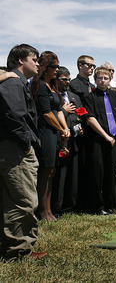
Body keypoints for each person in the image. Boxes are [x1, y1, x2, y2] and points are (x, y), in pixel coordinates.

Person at [0, 44, 47, 260]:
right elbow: (14, 114)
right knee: (24, 200)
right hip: (16, 149)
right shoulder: (13, 82)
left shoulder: (16, 82)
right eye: (34, 59)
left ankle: (13, 247)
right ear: (21, 60)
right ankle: (20, 250)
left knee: (14, 199)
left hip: (14, 146)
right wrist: (26, 142)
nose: (38, 63)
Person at [83, 67, 116, 214]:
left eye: (105, 78)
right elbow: (90, 118)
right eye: (99, 78)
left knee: (111, 172)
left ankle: (109, 204)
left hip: (115, 139)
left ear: (110, 79)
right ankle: (97, 206)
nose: (102, 81)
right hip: (98, 139)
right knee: (97, 172)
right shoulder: (90, 97)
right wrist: (105, 136)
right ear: (95, 80)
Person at [30, 51, 71, 221]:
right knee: (45, 170)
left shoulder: (52, 86)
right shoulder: (39, 85)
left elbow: (59, 110)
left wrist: (65, 128)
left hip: (55, 131)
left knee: (52, 171)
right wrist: (61, 129)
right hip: (45, 131)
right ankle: (42, 211)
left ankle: (48, 209)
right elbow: (46, 113)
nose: (57, 69)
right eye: (53, 66)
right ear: (45, 67)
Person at [52, 66, 84, 215]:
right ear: (56, 79)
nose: (67, 82)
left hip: (75, 140)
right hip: (59, 140)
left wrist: (80, 127)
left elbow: (80, 115)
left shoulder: (74, 97)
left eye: (68, 79)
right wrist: (64, 111)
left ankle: (70, 206)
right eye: (64, 79)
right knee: (60, 175)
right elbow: (51, 115)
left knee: (73, 174)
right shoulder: (53, 96)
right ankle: (56, 207)